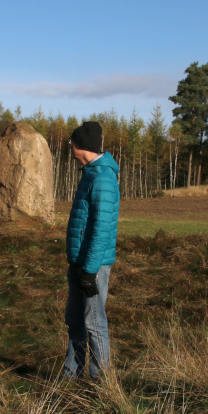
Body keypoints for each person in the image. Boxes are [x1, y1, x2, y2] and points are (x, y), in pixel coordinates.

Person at [64, 120, 120, 381]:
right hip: (80, 263)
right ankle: (70, 375)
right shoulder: (90, 174)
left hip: (92, 266)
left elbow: (101, 228)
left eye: (71, 143)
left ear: (79, 146)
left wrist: (89, 270)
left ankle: (101, 382)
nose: (70, 147)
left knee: (94, 323)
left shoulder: (103, 178)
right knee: (76, 321)